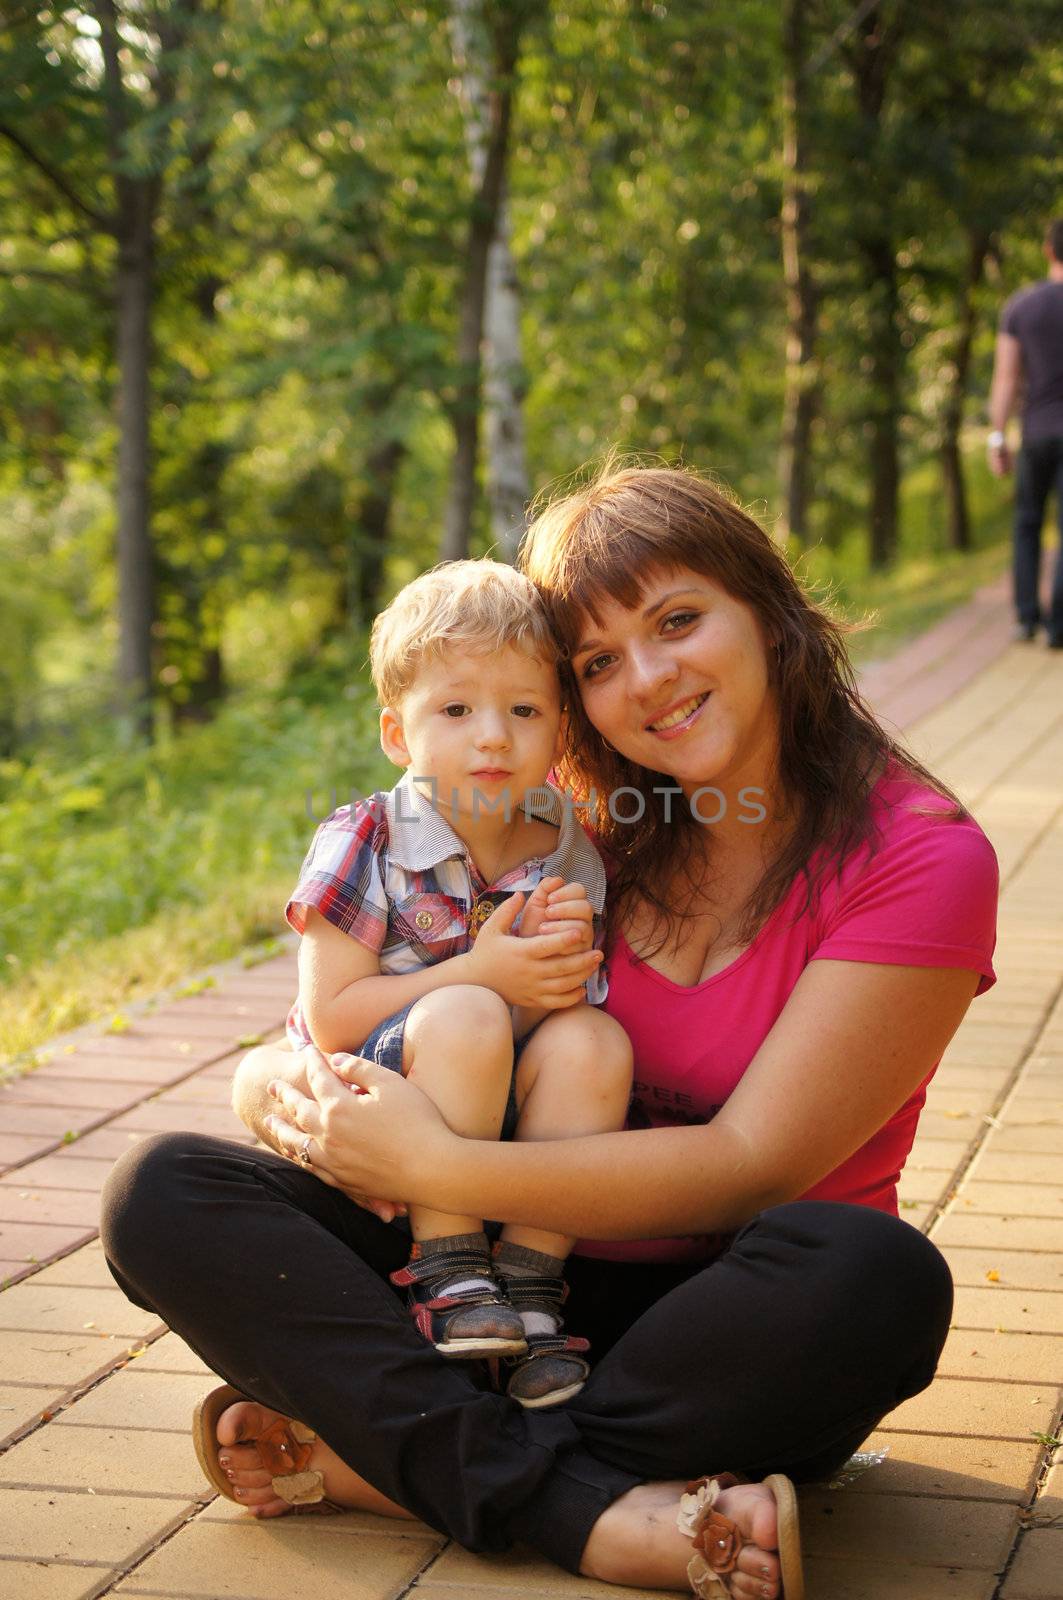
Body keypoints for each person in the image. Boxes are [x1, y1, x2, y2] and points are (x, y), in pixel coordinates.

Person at [101, 464, 998, 1600]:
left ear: (770, 612)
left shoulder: (920, 857)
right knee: (162, 1189)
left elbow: (745, 1167)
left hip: (718, 1316)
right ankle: (588, 1505)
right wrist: (269, 1080)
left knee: (879, 1276)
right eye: (597, 662)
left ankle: (386, 1455)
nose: (650, 680)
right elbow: (369, 998)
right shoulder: (573, 813)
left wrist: (440, 1161)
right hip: (475, 1290)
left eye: (678, 621)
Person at [282, 559, 632, 1408]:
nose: (491, 737)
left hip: (505, 1111)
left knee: (595, 1038)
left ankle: (530, 1284)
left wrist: (554, 968)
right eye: (455, 709)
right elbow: (328, 1019)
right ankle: (449, 1273)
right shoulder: (366, 837)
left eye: (522, 710)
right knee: (470, 1008)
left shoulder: (563, 844)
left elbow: (560, 1000)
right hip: (384, 1102)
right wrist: (479, 972)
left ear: (559, 728)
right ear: (399, 735)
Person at [987, 218, 1063, 647]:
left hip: (1035, 433)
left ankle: (1026, 617)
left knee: (1027, 523)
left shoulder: (1021, 306)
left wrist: (998, 436)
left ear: (1049, 252)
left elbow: (1006, 379)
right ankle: (1060, 625)